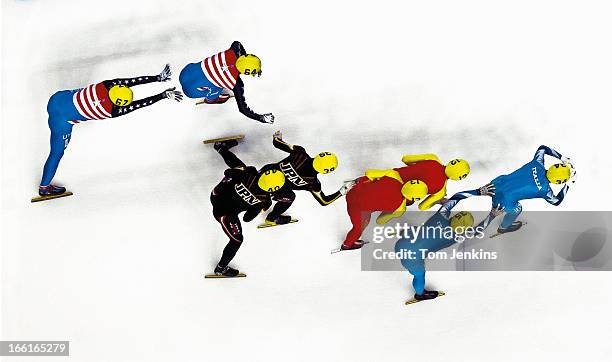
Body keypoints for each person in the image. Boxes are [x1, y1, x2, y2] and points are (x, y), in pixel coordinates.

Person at [39, 64, 183, 196]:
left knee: (77, 97)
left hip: (57, 99)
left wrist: (158, 78)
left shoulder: (108, 85)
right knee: (56, 153)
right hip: (62, 121)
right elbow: (141, 104)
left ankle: (46, 184)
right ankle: (44, 187)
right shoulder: (111, 111)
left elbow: (133, 81)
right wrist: (163, 95)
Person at [340, 153, 471, 250]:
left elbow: (406, 159)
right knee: (363, 223)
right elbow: (422, 206)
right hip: (396, 199)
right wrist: (436, 201)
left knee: (376, 181)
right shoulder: (439, 191)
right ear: (458, 178)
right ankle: (347, 244)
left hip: (384, 181)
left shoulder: (432, 159)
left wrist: (415, 170)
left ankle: (355, 183)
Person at [395, 190, 503, 301]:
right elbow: (478, 230)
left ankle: (405, 232)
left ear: (455, 216)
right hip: (411, 259)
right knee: (419, 275)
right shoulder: (458, 236)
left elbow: (458, 196)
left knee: (421, 232)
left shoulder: (441, 215)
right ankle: (420, 294)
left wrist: (479, 191)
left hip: (400, 244)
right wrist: (492, 215)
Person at [210, 140, 285, 276]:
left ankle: (221, 149)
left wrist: (235, 178)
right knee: (237, 240)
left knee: (240, 168)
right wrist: (258, 206)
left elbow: (228, 172)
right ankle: (221, 268)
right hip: (223, 214)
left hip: (216, 194)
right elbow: (247, 218)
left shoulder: (250, 173)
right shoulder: (264, 201)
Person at [258, 131, 352, 226]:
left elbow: (277, 143)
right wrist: (343, 191)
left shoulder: (300, 152)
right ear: (325, 171)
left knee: (270, 169)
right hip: (276, 191)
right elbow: (324, 201)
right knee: (290, 196)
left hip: (262, 176)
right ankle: (271, 218)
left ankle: (264, 202)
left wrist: (277, 137)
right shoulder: (313, 183)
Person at [480, 145, 574, 235]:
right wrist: (568, 185)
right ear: (558, 182)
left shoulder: (537, 163)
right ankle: (503, 228)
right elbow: (556, 201)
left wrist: (562, 158)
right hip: (504, 202)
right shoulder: (545, 190)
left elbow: (543, 149)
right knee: (518, 208)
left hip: (497, 184)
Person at [179, 40, 274, 124]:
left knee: (208, 74)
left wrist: (245, 57)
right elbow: (243, 109)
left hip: (185, 72)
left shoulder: (234, 50)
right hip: (191, 92)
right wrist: (260, 118)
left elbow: (237, 43)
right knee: (216, 87)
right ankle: (211, 100)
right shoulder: (235, 83)